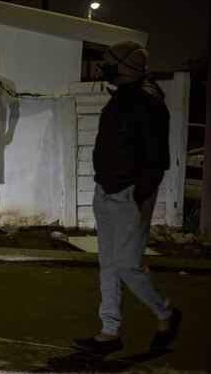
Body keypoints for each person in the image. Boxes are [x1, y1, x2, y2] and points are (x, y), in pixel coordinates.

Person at [73, 40, 181, 354]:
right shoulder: (123, 96)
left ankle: (166, 314)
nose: (102, 67)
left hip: (128, 194)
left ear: (123, 66)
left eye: (108, 62)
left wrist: (137, 193)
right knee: (108, 264)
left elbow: (156, 156)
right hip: (106, 190)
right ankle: (109, 332)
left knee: (126, 265)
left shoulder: (147, 101)